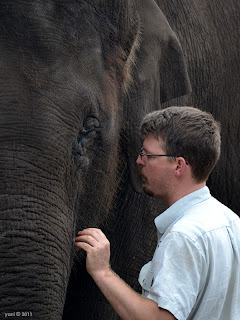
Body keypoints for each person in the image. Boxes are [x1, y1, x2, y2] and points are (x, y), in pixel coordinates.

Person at [75, 106, 240, 320]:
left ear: (179, 166)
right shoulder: (231, 221)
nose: (139, 161)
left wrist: (102, 271)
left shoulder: (184, 236)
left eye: (148, 155)